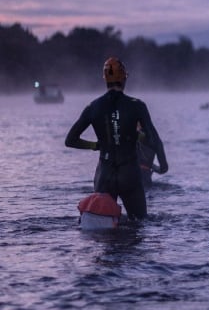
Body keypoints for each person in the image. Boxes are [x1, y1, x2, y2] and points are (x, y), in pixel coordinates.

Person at [65, 57, 168, 221]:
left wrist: (96, 145)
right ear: (124, 77)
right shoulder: (137, 105)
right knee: (139, 224)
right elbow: (154, 140)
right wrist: (163, 166)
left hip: (104, 175)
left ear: (105, 79)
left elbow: (70, 140)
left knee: (103, 228)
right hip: (130, 174)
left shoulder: (93, 107)